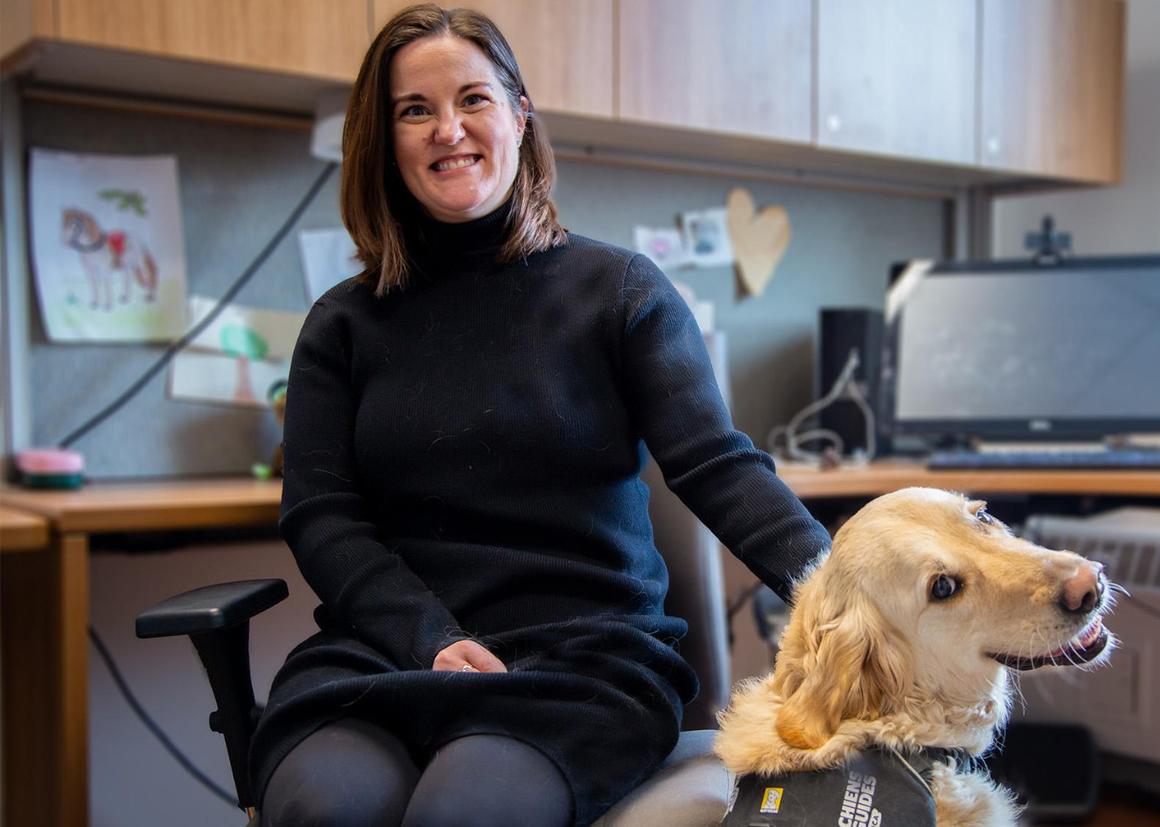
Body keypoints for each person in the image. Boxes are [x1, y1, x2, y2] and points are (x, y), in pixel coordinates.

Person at [249, 5, 831, 827]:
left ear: (520, 116)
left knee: (461, 816)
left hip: (585, 660)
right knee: (325, 808)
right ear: (385, 141)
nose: (447, 129)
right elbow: (322, 515)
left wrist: (849, 595)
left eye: (473, 99)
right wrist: (427, 638)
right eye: (415, 110)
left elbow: (718, 465)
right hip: (390, 651)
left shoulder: (619, 292)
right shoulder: (343, 324)